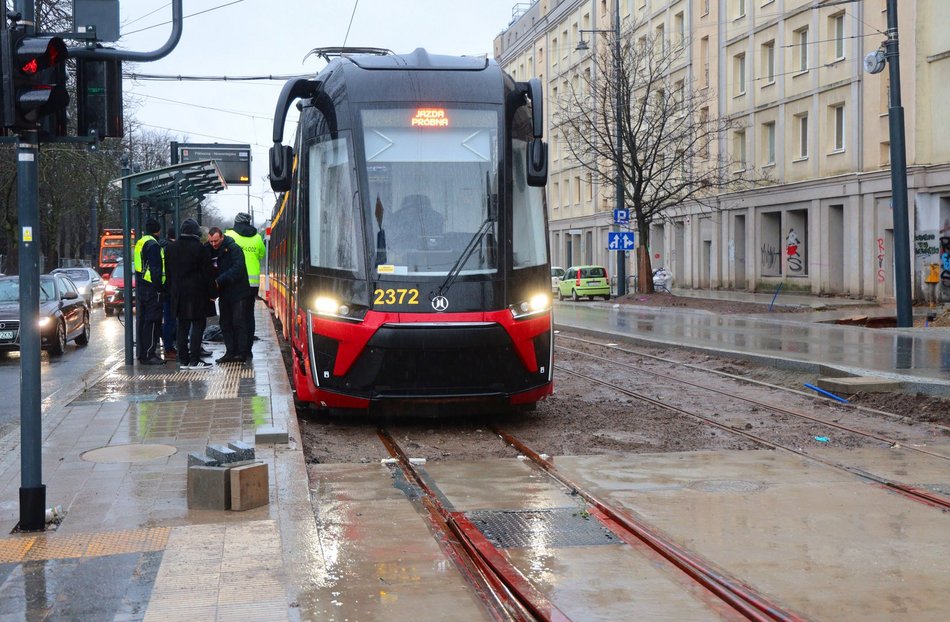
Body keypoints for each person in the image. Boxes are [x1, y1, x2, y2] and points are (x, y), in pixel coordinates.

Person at [166, 218, 215, 369]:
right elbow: (208, 274)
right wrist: (213, 293)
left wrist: (170, 293)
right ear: (196, 233)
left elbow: (168, 274)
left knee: (182, 327)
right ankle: (195, 360)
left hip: (178, 295)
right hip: (197, 295)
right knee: (198, 325)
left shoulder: (171, 248)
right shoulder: (200, 249)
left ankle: (184, 360)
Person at [207, 227, 252, 363]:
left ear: (222, 237)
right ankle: (230, 352)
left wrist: (219, 280)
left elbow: (238, 268)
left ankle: (241, 352)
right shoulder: (209, 249)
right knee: (225, 322)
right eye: (211, 242)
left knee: (238, 321)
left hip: (238, 291)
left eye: (215, 241)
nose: (213, 244)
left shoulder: (234, 249)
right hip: (224, 293)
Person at [225, 212, 266, 356]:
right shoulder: (257, 238)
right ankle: (248, 349)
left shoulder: (230, 235)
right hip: (253, 284)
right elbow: (262, 255)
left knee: (236, 316)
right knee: (249, 315)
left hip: (236, 281)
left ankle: (238, 348)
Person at [134, 218, 165, 365]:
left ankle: (142, 353)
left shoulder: (141, 241)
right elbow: (155, 269)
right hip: (152, 288)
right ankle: (149, 353)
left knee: (144, 320)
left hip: (142, 286)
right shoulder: (153, 245)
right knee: (152, 321)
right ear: (157, 230)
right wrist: (160, 287)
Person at [160, 228, 178, 360]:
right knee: (172, 320)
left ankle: (169, 347)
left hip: (164, 288)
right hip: (171, 289)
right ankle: (169, 347)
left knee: (168, 320)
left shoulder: (161, 246)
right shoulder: (172, 248)